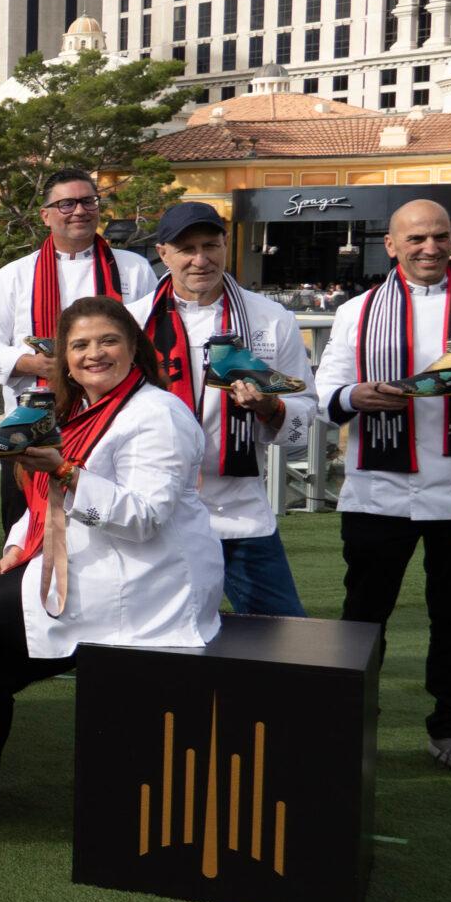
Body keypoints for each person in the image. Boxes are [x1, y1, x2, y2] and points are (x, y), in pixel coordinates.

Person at [0, 298, 220, 832]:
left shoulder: (159, 415)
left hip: (147, 584)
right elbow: (43, 501)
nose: (93, 354)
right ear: (64, 358)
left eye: (108, 341)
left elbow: (145, 518)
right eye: (79, 345)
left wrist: (65, 470)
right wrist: (17, 547)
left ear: (134, 346)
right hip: (85, 563)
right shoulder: (76, 409)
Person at [314, 198, 451, 785]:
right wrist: (355, 396)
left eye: (440, 236)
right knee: (364, 618)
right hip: (378, 489)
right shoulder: (356, 311)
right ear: (391, 245)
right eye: (416, 239)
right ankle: (349, 728)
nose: (430, 248)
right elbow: (325, 392)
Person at [130, 201, 312, 617]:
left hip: (239, 514)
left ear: (226, 245)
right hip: (159, 509)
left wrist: (271, 407)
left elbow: (304, 413)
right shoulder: (132, 323)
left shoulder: (271, 320)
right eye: (187, 249)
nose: (201, 259)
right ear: (163, 254)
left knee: (282, 632)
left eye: (210, 245)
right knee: (155, 634)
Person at [0, 168, 157, 527]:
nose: (80, 211)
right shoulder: (16, 274)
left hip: (114, 424)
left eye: (89, 201)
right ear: (45, 215)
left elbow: (149, 343)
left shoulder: (133, 269)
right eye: (67, 204)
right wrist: (35, 364)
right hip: (31, 432)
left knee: (104, 526)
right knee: (26, 535)